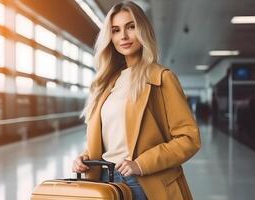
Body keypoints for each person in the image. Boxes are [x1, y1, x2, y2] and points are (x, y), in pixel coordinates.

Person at [72, 1, 201, 199]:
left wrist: (141, 164)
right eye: (115, 30)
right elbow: (112, 137)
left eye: (131, 27)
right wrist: (85, 156)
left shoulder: (161, 77)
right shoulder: (106, 83)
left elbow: (189, 139)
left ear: (143, 30)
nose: (123, 36)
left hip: (144, 182)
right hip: (105, 179)